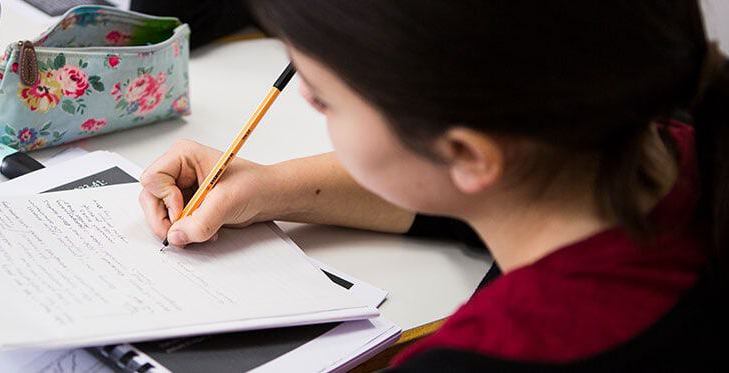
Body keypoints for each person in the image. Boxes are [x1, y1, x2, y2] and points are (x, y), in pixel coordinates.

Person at [137, 1, 729, 371]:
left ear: (467, 153)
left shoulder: (484, 358)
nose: (313, 108)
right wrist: (274, 187)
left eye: (322, 97)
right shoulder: (666, 137)